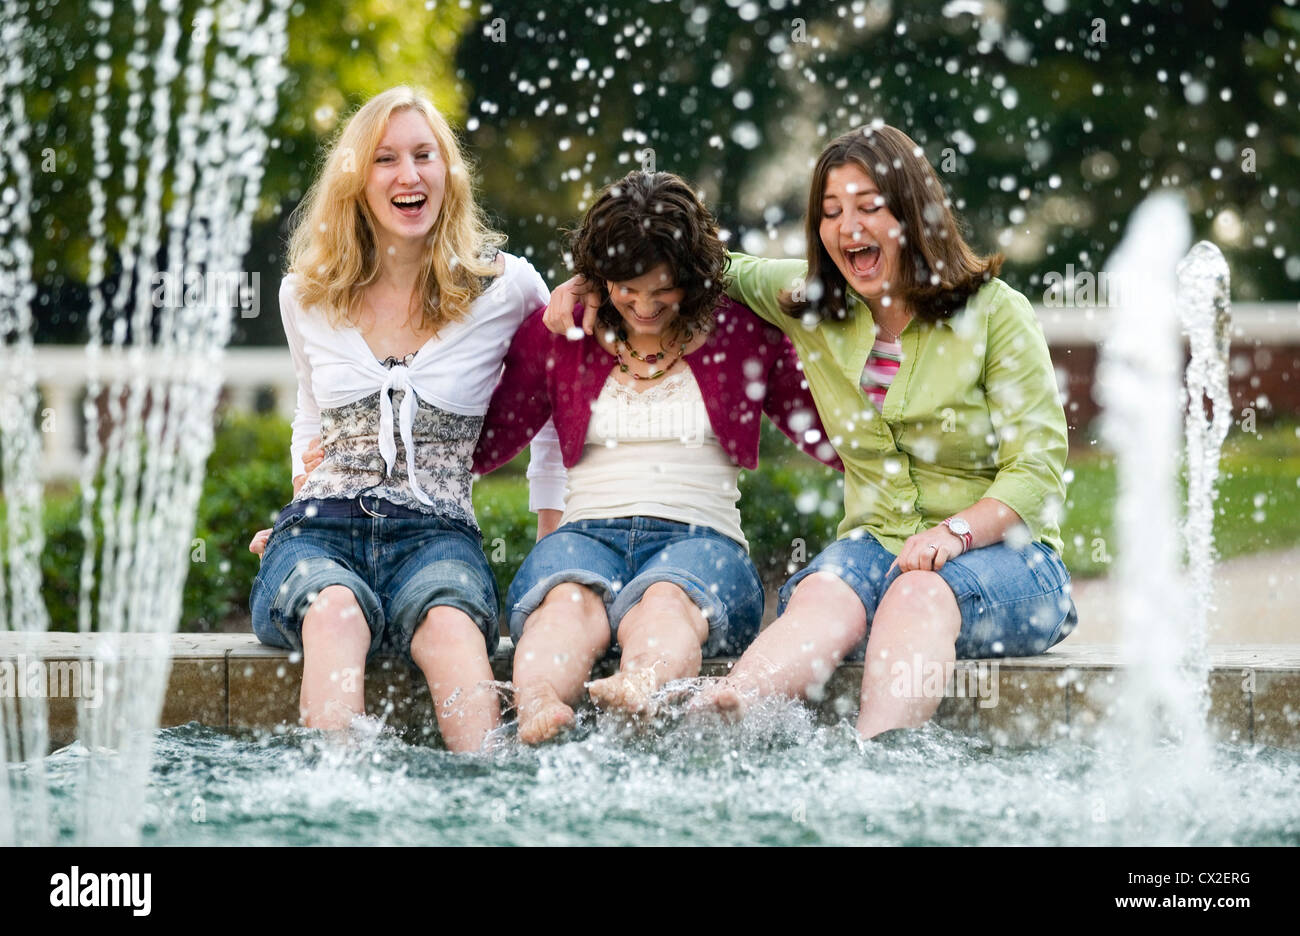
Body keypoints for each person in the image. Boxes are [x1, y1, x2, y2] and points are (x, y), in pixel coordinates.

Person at [546, 124, 1076, 739]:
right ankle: (725, 708)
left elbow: (1036, 467)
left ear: (913, 212)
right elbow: (706, 264)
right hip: (875, 544)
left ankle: (876, 761)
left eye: (869, 207)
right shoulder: (811, 301)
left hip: (1010, 562)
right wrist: (603, 275)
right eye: (831, 212)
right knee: (823, 590)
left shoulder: (995, 312)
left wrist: (954, 533)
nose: (848, 226)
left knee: (917, 593)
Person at [474, 171, 843, 745]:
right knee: (564, 605)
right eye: (627, 288)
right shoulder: (562, 331)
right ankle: (540, 701)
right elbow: (487, 438)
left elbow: (829, 434)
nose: (644, 306)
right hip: (585, 535)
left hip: (702, 541)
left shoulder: (742, 333)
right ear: (599, 274)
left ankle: (643, 681)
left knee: (666, 601)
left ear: (692, 277)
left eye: (662, 289)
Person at [248, 86, 551, 752]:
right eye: (386, 159)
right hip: (321, 534)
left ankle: (491, 801)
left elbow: (561, 399)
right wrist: (298, 501)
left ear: (449, 172)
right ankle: (338, 810)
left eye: (424, 156)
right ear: (357, 179)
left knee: (449, 626)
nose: (408, 175)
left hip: (438, 535)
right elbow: (309, 409)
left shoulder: (507, 287)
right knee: (333, 614)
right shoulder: (307, 291)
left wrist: (551, 537)